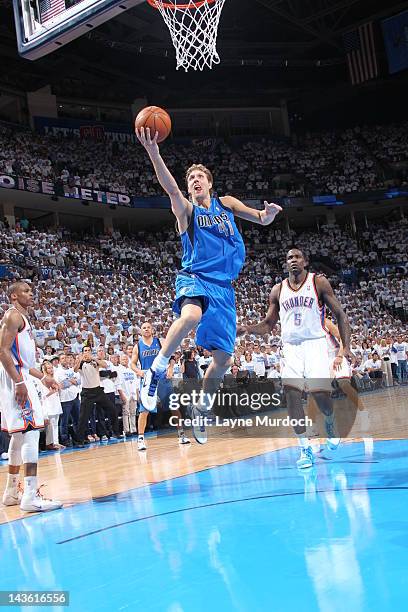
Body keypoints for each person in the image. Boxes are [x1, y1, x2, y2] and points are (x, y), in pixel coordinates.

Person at [136, 127, 282, 442]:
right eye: (191, 179)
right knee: (190, 316)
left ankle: (202, 407)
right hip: (195, 277)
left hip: (224, 289)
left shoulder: (226, 204)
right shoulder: (186, 212)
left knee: (224, 360)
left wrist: (267, 215)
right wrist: (153, 152)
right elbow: (171, 190)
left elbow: (260, 217)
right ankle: (156, 370)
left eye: (200, 177)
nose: (195, 180)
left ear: (210, 183)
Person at [238, 249, 353, 469]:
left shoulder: (318, 283)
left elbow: (340, 314)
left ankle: (329, 420)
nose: (293, 260)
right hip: (290, 347)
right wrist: (248, 328)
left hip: (315, 344)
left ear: (305, 262)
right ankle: (305, 448)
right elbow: (269, 324)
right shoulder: (278, 290)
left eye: (297, 257)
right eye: (289, 258)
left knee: (320, 395)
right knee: (291, 392)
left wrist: (345, 347)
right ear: (285, 263)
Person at [0, 281, 62, 512]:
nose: (31, 294)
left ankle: (11, 492)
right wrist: (19, 382)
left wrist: (43, 378)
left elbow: (25, 363)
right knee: (31, 433)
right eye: (25, 291)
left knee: (18, 437)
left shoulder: (22, 319)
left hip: (20, 374)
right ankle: (30, 495)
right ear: (14, 296)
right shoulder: (13, 316)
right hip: (15, 378)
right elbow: (2, 351)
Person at [131, 322, 190, 450]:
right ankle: (140, 439)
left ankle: (181, 434)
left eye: (148, 327)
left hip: (162, 377)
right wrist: (138, 371)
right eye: (144, 328)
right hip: (147, 379)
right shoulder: (137, 347)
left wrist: (171, 367)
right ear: (141, 331)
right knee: (144, 409)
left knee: (174, 406)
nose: (146, 329)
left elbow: (172, 356)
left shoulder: (160, 341)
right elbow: (132, 364)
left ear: (152, 330)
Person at [73, 346, 120, 447]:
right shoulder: (80, 363)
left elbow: (105, 365)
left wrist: (94, 358)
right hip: (87, 393)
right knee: (83, 418)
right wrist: (80, 360)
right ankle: (79, 441)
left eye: (88, 351)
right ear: (82, 353)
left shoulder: (95, 361)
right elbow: (75, 370)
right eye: (85, 351)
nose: (87, 352)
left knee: (112, 410)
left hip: (98, 391)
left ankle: (116, 432)